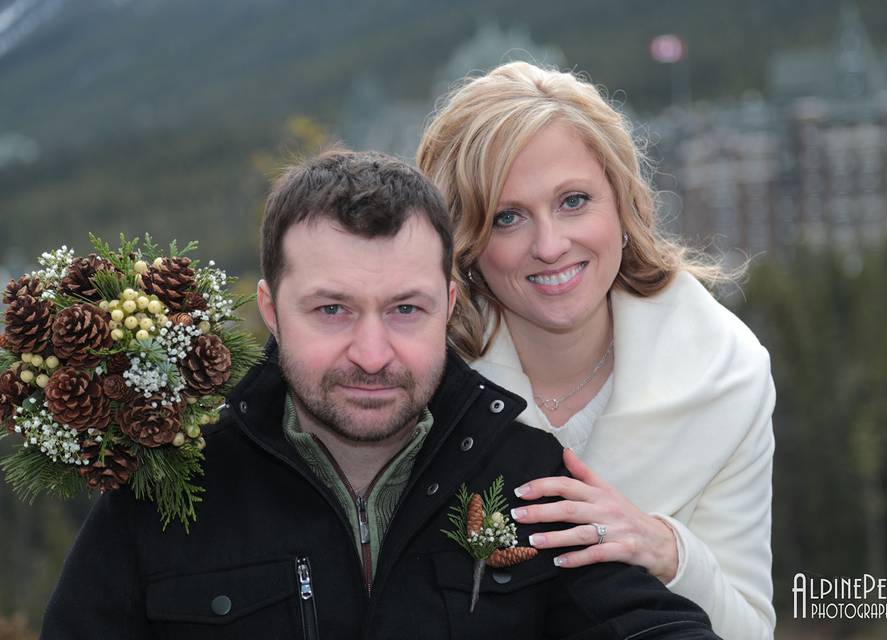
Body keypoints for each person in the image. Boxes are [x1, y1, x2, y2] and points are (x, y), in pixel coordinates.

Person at [41, 150, 720, 639]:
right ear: (272, 312)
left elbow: (644, 626)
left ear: (448, 306)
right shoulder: (164, 497)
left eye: (405, 310)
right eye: (332, 310)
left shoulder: (527, 478)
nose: (372, 355)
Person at [417, 61, 776, 639]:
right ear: (466, 244)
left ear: (623, 203)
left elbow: (750, 630)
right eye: (508, 217)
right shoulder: (418, 377)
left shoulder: (726, 375)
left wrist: (667, 548)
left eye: (574, 201)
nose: (551, 245)